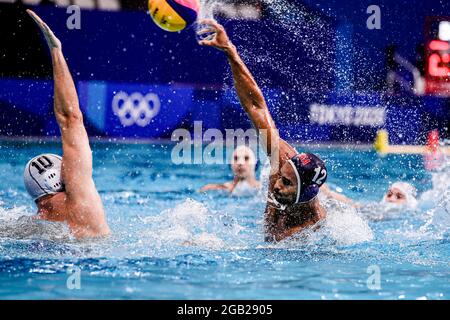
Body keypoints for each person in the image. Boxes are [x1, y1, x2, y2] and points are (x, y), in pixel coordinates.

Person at [198, 20, 328, 242]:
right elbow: (256, 105)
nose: (277, 183)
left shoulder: (311, 223)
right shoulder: (281, 157)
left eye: (286, 183)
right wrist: (231, 52)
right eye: (281, 176)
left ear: (303, 192)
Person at [23, 10, 110, 239]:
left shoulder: (28, 227)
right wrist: (56, 51)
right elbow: (70, 119)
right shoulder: (81, 202)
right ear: (63, 177)